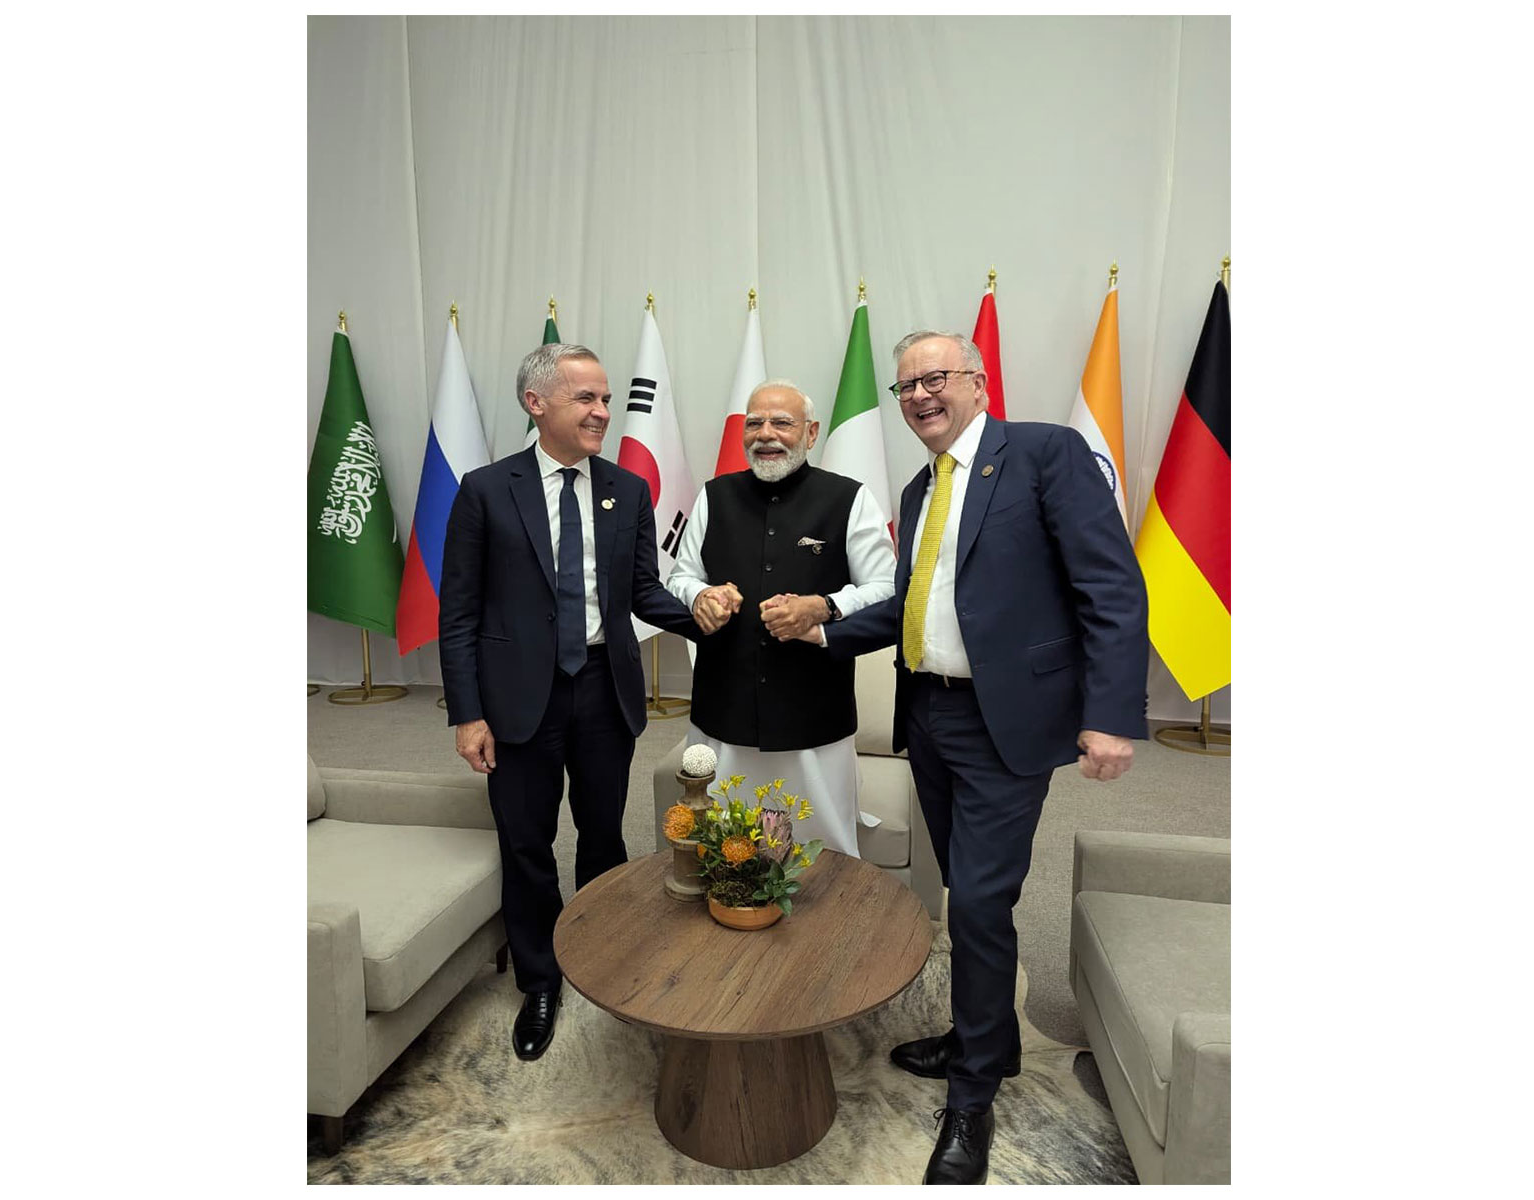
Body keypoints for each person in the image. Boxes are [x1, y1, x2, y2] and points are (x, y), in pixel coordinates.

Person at [798, 331, 1148, 1184]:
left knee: (982, 904)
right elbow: (917, 606)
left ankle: (972, 1092)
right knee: (964, 888)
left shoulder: (1042, 454)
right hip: (934, 719)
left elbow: (1110, 584)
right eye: (906, 384)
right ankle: (979, 1033)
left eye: (936, 377)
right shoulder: (920, 489)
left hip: (1009, 724)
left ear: (977, 380)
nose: (919, 394)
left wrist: (1109, 718)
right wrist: (826, 631)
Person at [438, 342, 727, 1062]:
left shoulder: (626, 490)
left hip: (604, 689)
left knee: (604, 838)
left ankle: (601, 960)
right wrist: (467, 713)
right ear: (536, 403)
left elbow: (642, 592)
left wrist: (701, 610)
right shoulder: (483, 489)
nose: (603, 412)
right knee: (528, 843)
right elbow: (460, 614)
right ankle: (539, 980)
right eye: (586, 399)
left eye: (605, 399)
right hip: (514, 700)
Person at [665, 379, 895, 856]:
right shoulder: (714, 496)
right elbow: (681, 575)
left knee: (818, 852)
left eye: (782, 423)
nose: (765, 433)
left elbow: (887, 586)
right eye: (755, 423)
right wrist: (701, 594)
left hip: (812, 710)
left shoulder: (849, 499)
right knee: (721, 843)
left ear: (811, 434)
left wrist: (824, 606)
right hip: (723, 706)